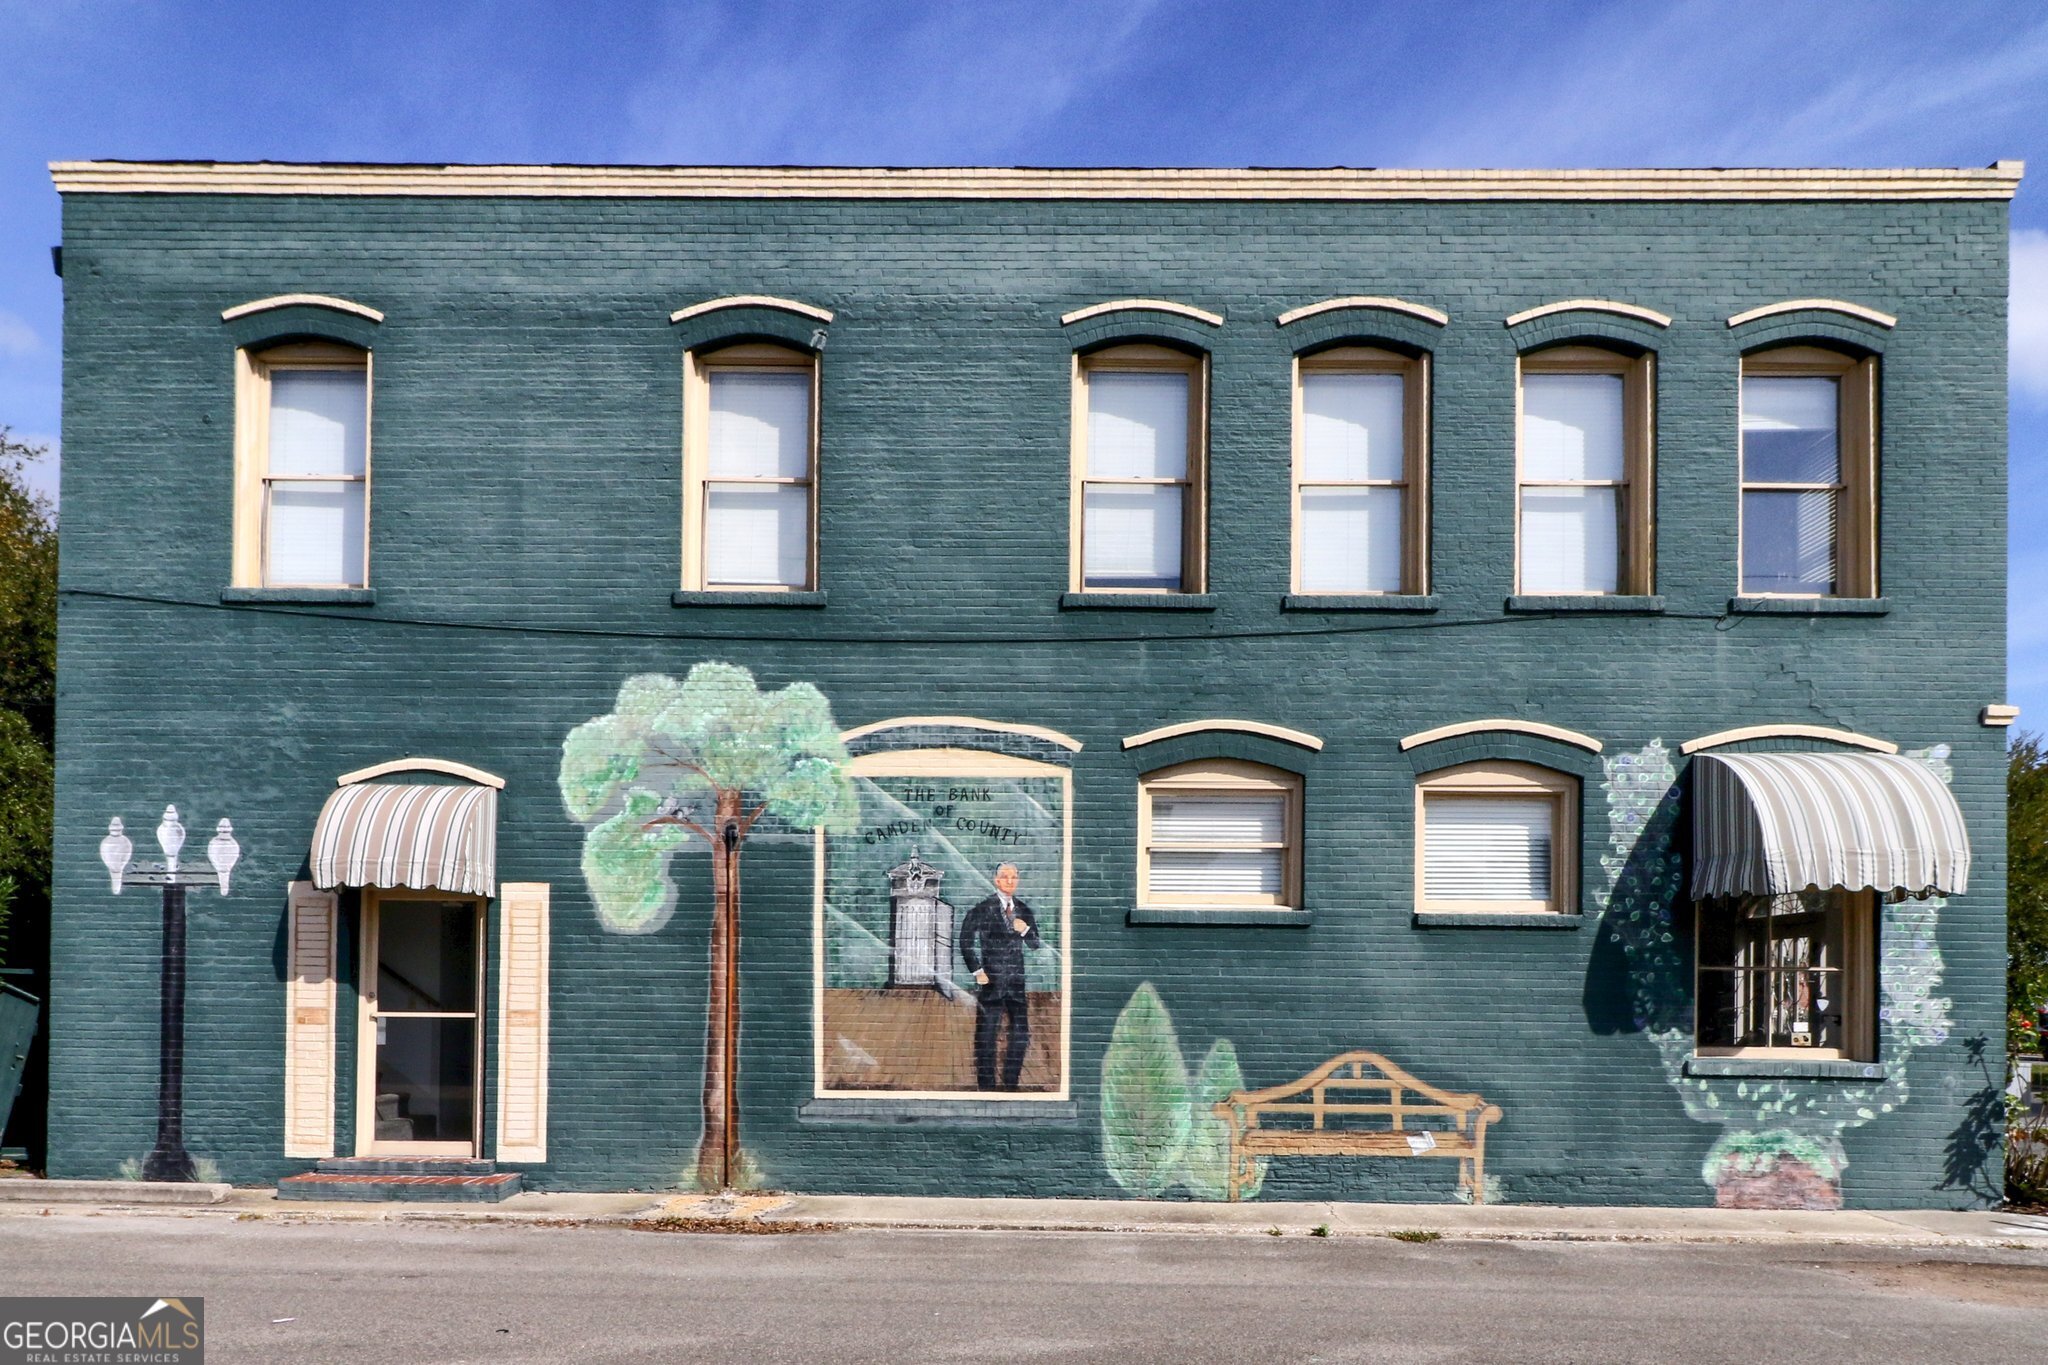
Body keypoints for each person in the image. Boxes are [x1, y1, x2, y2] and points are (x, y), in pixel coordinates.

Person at [957, 862, 1043, 1091]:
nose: (1010, 881)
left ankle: (1010, 1084)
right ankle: (986, 1086)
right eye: (1005, 877)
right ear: (996, 880)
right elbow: (965, 941)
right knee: (986, 1036)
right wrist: (977, 971)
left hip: (1016, 983)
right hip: (991, 983)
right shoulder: (982, 908)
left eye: (1014, 877)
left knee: (1020, 1035)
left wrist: (1025, 930)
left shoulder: (1023, 910)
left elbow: (1035, 944)